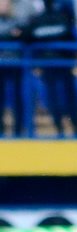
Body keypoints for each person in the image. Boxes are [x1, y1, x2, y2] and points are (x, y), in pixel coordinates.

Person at [22, 0, 77, 138]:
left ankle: (63, 130)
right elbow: (72, 39)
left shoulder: (38, 20)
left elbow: (26, 38)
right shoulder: (62, 17)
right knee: (65, 98)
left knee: (58, 98)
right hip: (60, 65)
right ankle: (74, 130)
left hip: (52, 65)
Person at [0, 0, 25, 137]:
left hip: (15, 64)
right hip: (1, 65)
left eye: (5, 4)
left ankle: (18, 130)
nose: (3, 7)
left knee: (16, 98)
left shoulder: (17, 21)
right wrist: (10, 34)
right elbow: (12, 33)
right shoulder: (14, 24)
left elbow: (24, 34)